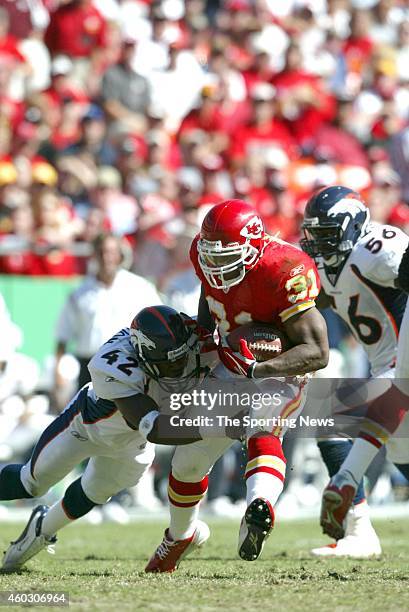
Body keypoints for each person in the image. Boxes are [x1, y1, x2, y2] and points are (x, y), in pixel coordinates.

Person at [146, 199, 329, 573]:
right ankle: (179, 536)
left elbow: (317, 351)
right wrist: (203, 333)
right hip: (230, 360)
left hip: (279, 366)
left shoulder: (285, 269)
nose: (215, 265)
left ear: (254, 245)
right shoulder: (204, 253)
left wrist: (259, 368)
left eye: (225, 255)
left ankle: (258, 506)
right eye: (210, 255)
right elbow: (210, 290)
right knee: (189, 458)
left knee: (263, 425)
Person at [1, 305, 226, 572]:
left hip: (132, 444)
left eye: (182, 358)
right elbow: (152, 427)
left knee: (93, 492)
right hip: (86, 427)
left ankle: (40, 530)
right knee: (32, 483)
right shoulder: (112, 364)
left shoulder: (193, 339)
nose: (179, 368)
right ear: (144, 357)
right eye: (170, 362)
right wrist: (219, 425)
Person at [301, 185, 409, 547]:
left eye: (327, 235)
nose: (318, 245)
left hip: (399, 369)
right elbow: (321, 299)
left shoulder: (376, 249)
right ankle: (359, 529)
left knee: (338, 415)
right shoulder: (327, 265)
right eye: (314, 235)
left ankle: (349, 495)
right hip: (385, 371)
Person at [54, 233, 162, 394]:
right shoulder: (79, 293)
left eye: (111, 252)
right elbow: (63, 335)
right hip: (89, 366)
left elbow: (158, 324)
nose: (106, 258)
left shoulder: (140, 288)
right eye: (102, 252)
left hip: (128, 363)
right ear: (94, 255)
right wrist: (58, 370)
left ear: (120, 255)